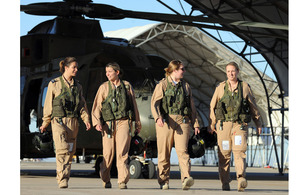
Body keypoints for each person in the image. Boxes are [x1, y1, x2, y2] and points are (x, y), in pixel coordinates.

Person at [208, 62, 262, 192]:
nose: (230, 74)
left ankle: (241, 178)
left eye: (233, 71)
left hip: (239, 125)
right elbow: (213, 106)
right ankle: (225, 182)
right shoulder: (220, 88)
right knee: (224, 155)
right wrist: (212, 124)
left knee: (239, 152)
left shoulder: (244, 87)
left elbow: (253, 106)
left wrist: (258, 123)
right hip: (223, 126)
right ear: (226, 73)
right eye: (228, 71)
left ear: (237, 71)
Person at [40, 57, 91, 188]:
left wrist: (86, 120)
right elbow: (48, 105)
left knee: (70, 151)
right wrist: (45, 122)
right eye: (74, 67)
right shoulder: (54, 83)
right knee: (62, 150)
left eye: (77, 67)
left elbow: (82, 105)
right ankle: (61, 178)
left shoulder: (78, 86)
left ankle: (65, 178)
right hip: (58, 121)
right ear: (66, 68)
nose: (76, 69)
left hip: (73, 122)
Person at [151, 59, 200, 190]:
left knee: (183, 151)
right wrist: (157, 118)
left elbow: (192, 106)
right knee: (164, 152)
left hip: (183, 121)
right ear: (174, 70)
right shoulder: (162, 85)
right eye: (182, 69)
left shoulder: (186, 86)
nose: (184, 71)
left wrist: (195, 123)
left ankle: (186, 178)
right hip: (166, 121)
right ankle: (163, 181)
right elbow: (154, 103)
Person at [91, 62, 142, 189]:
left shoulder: (126, 86)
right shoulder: (103, 87)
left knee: (122, 153)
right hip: (108, 124)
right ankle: (105, 178)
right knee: (108, 154)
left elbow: (133, 105)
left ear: (117, 72)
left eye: (110, 71)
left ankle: (122, 181)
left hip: (124, 122)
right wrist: (97, 122)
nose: (107, 74)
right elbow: (96, 107)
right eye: (106, 72)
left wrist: (137, 123)